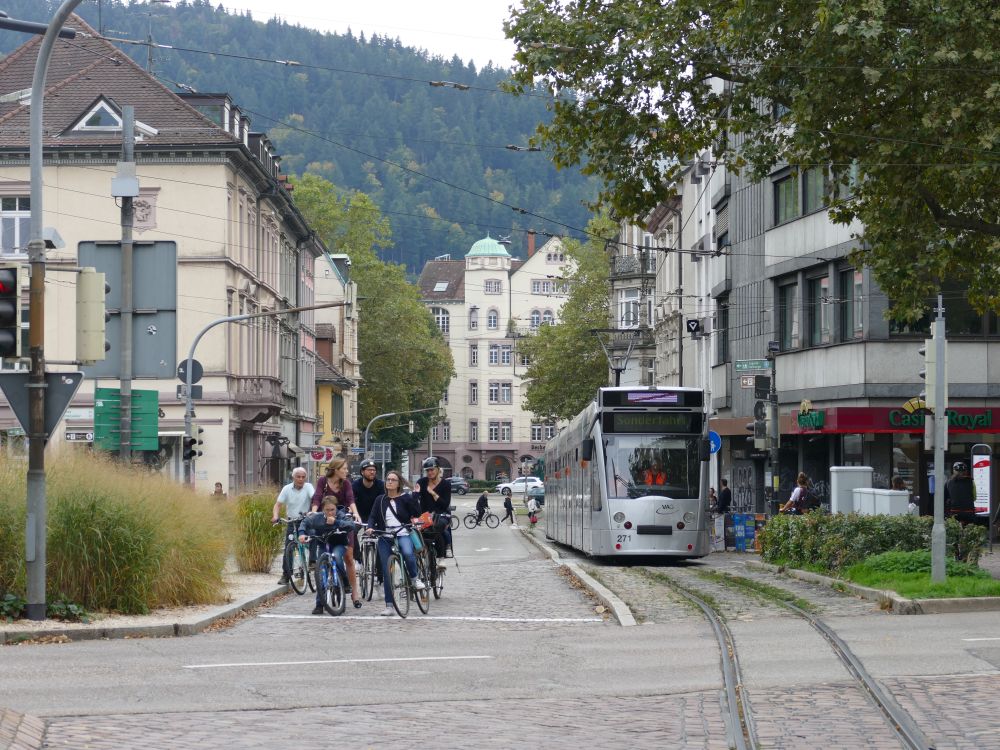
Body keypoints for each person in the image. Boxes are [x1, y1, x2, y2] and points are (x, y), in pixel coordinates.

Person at [366, 470, 426, 617]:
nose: (390, 482)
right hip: (385, 535)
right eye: (388, 479)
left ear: (399, 483)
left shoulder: (405, 498)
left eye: (393, 480)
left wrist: (415, 496)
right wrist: (370, 527)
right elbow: (372, 516)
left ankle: (414, 578)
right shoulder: (380, 499)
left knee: (407, 553)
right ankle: (389, 606)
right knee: (387, 570)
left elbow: (417, 513)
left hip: (402, 533)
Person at [312, 458, 363, 608]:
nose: (347, 471)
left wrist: (355, 513)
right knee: (325, 552)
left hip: (342, 520)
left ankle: (354, 592)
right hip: (326, 521)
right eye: (344, 468)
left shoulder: (345, 483)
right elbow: (317, 497)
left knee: (348, 557)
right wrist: (313, 512)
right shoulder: (323, 481)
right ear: (335, 469)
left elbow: (351, 499)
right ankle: (323, 594)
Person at [299, 498, 356, 615]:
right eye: (327, 510)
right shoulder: (317, 517)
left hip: (339, 544)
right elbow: (305, 522)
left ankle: (345, 583)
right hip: (324, 544)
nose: (330, 512)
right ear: (322, 509)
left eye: (332, 509)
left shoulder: (340, 515)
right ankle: (319, 605)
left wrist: (336, 522)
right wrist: (302, 533)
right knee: (321, 573)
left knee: (337, 558)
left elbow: (351, 525)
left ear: (336, 508)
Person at [272, 468, 315, 585]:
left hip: (306, 520)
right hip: (292, 521)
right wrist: (275, 516)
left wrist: (312, 511)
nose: (301, 479)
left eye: (303, 477)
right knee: (289, 547)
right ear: (293, 477)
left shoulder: (308, 487)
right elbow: (278, 505)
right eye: (298, 477)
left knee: (313, 536)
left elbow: (314, 498)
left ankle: (313, 561)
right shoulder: (286, 489)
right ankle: (286, 575)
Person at [414, 457, 453, 556]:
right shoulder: (421, 482)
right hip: (425, 515)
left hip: (441, 515)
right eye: (427, 471)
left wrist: (433, 493)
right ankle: (422, 553)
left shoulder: (446, 484)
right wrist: (415, 494)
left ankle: (442, 555)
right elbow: (414, 498)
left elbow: (445, 505)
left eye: (432, 470)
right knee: (413, 528)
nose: (430, 472)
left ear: (438, 469)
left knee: (436, 526)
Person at [351, 459, 384, 524]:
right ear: (362, 472)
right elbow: (351, 501)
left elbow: (383, 503)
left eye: (374, 470)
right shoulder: (355, 485)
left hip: (375, 518)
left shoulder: (381, 485)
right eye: (369, 470)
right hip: (358, 518)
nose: (372, 472)